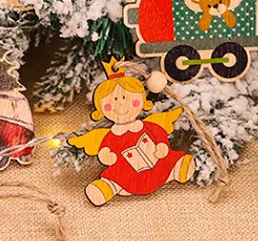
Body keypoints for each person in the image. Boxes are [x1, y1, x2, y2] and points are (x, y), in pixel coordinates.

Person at [69, 58, 195, 206]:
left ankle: (177, 169)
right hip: (130, 176)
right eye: (112, 103)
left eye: (126, 98)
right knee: (116, 177)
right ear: (101, 110)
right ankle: (107, 188)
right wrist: (106, 155)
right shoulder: (111, 136)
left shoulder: (148, 126)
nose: (121, 106)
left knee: (170, 161)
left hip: (158, 167)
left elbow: (159, 134)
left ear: (141, 100)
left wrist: (162, 145)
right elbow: (105, 149)